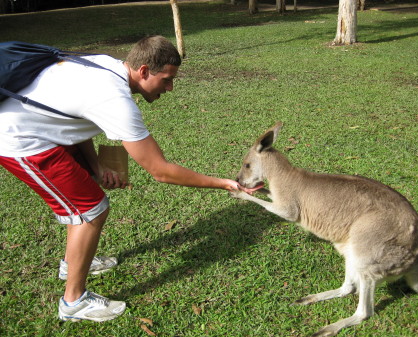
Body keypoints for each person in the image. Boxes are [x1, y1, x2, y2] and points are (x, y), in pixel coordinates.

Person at [0, 35, 247, 322]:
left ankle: (73, 264)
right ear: (143, 71)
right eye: (166, 80)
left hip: (39, 128)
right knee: (89, 210)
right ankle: (73, 302)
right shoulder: (116, 100)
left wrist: (95, 166)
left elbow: (75, 120)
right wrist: (224, 183)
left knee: (88, 203)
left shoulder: (106, 64)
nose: (170, 88)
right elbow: (161, 171)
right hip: (20, 141)